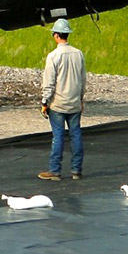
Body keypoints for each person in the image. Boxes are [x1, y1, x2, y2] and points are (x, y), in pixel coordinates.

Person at [38, 18, 87, 181]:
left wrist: (45, 102)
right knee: (76, 136)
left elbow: (49, 83)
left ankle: (55, 171)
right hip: (74, 103)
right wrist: (81, 99)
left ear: (57, 35)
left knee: (58, 136)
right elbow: (82, 79)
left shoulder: (53, 56)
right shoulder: (78, 54)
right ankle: (76, 171)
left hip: (58, 104)